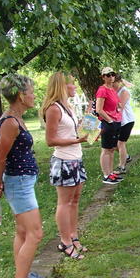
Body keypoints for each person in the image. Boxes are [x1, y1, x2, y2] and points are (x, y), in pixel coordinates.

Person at [0, 73, 50, 278]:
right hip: (18, 184)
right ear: (21, 96)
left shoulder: (15, 118)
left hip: (22, 181)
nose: (34, 96)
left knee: (23, 232)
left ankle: (24, 274)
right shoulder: (10, 123)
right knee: (35, 233)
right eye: (32, 92)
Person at [42, 72, 89, 260]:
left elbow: (72, 131)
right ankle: (65, 242)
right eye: (72, 84)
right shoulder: (53, 109)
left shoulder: (67, 107)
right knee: (64, 202)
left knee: (75, 201)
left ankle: (73, 236)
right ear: (62, 86)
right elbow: (50, 140)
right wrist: (77, 140)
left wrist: (87, 126)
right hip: (64, 161)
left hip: (76, 158)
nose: (75, 87)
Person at [96, 67, 122, 185]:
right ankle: (106, 175)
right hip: (107, 122)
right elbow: (99, 109)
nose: (111, 77)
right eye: (108, 75)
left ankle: (111, 173)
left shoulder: (112, 89)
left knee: (111, 149)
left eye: (112, 74)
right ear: (103, 77)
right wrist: (110, 121)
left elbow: (117, 105)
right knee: (106, 149)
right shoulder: (102, 90)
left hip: (115, 121)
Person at [112, 75, 135, 176]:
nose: (112, 84)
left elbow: (120, 106)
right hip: (118, 121)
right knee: (114, 144)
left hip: (127, 120)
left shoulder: (124, 91)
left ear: (119, 82)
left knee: (121, 143)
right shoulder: (113, 91)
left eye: (114, 82)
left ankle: (122, 167)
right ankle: (126, 157)